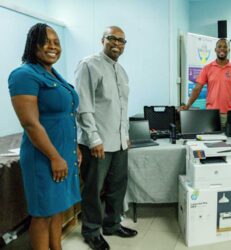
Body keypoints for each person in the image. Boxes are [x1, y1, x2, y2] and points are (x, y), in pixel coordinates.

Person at [8, 23, 81, 250]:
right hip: (44, 157)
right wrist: (54, 157)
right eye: (46, 41)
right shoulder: (24, 75)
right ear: (34, 44)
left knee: (57, 208)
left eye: (57, 42)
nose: (53, 47)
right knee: (42, 214)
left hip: (63, 153)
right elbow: (30, 123)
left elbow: (66, 116)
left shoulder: (54, 75)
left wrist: (74, 148)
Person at [75, 26, 137, 250]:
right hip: (97, 143)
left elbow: (121, 107)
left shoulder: (121, 71)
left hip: (119, 142)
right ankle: (91, 231)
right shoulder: (89, 65)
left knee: (117, 187)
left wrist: (126, 135)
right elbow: (84, 106)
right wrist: (93, 139)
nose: (117, 43)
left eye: (122, 40)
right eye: (112, 38)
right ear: (103, 39)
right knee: (93, 188)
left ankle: (112, 224)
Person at [180, 38, 231, 127]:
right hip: (211, 114)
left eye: (225, 47)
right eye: (219, 46)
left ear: (229, 50)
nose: (222, 49)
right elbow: (197, 89)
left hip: (228, 114)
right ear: (215, 49)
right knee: (211, 140)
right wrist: (188, 105)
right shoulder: (207, 68)